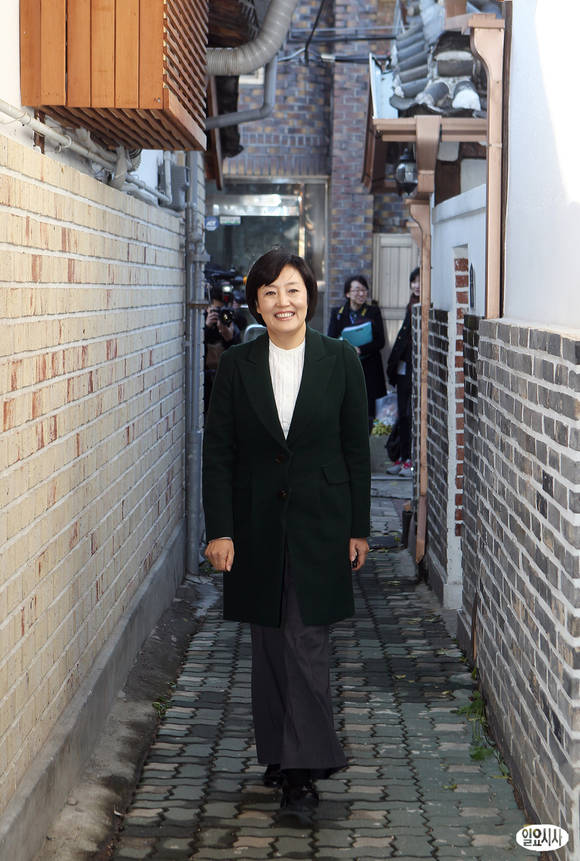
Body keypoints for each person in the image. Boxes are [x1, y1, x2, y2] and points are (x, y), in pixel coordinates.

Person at [202, 248, 370, 820]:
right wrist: (221, 531)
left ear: (309, 297)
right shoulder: (237, 365)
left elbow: (356, 451)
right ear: (256, 303)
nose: (283, 302)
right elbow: (219, 454)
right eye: (270, 292)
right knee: (270, 643)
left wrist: (358, 528)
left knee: (304, 642)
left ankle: (302, 774)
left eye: (293, 290)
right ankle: (278, 751)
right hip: (256, 527)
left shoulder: (340, 360)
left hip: (321, 525)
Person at [327, 275, 387, 432]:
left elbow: (380, 341)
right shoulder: (337, 313)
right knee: (346, 409)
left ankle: (365, 443)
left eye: (364, 290)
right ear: (347, 293)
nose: (361, 294)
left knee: (367, 412)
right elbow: (331, 340)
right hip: (346, 369)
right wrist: (347, 348)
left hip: (369, 368)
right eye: (357, 290)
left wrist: (360, 349)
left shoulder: (373, 312)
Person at [386, 267, 420, 477]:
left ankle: (410, 460)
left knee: (410, 414)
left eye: (420, 281)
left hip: (415, 369)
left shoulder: (422, 307)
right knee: (403, 414)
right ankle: (402, 456)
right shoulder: (411, 305)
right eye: (414, 281)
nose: (417, 285)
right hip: (403, 369)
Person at [204, 284, 241, 413]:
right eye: (216, 310)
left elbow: (237, 356)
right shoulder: (202, 319)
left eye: (222, 310)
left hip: (225, 379)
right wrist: (206, 327)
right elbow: (195, 348)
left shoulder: (230, 320)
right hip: (206, 380)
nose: (220, 314)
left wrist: (229, 337)